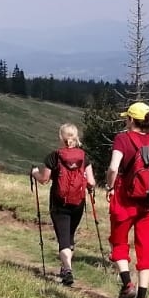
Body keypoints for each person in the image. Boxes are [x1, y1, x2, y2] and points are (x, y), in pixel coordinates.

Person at [106, 102, 149, 298]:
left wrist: (109, 185)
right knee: (146, 249)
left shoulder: (122, 139)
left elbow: (114, 168)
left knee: (118, 241)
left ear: (131, 119)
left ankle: (127, 284)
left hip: (125, 198)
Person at [32, 123, 97, 287]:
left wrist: (34, 173)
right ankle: (64, 267)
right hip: (78, 202)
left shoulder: (54, 156)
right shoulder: (84, 156)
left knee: (63, 237)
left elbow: (44, 180)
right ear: (75, 137)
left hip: (59, 202)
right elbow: (91, 182)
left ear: (61, 137)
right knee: (69, 235)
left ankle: (67, 269)